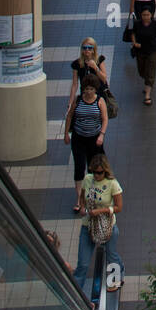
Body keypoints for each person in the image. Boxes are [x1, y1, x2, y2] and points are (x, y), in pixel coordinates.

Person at [73, 154, 125, 299]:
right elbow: (82, 196)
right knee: (83, 262)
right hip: (88, 225)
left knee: (111, 255)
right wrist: (82, 207)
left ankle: (117, 276)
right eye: (94, 172)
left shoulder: (112, 184)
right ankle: (76, 290)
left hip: (107, 225)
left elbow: (119, 207)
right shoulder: (88, 179)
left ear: (105, 171)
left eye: (100, 172)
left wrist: (101, 211)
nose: (96, 175)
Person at [65, 82, 108, 214]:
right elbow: (70, 116)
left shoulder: (100, 101)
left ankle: (92, 196)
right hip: (79, 138)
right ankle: (79, 199)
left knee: (93, 167)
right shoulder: (78, 101)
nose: (88, 91)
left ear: (95, 90)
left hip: (94, 139)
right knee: (79, 167)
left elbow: (105, 119)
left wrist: (101, 135)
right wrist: (66, 133)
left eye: (91, 89)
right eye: (86, 89)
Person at [132, 7, 156, 105]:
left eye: (147, 15)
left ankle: (147, 95)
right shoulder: (137, 24)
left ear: (151, 15)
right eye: (144, 15)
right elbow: (133, 34)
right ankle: (147, 82)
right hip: (140, 51)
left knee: (151, 72)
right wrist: (134, 43)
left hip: (153, 51)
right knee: (142, 71)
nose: (146, 17)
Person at [67, 37, 109, 111]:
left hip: (100, 93)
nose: (87, 50)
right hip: (86, 94)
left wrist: (95, 67)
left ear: (93, 50)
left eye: (90, 48)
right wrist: (71, 101)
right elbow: (74, 84)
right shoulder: (77, 64)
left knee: (101, 116)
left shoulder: (99, 60)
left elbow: (104, 78)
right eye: (84, 48)